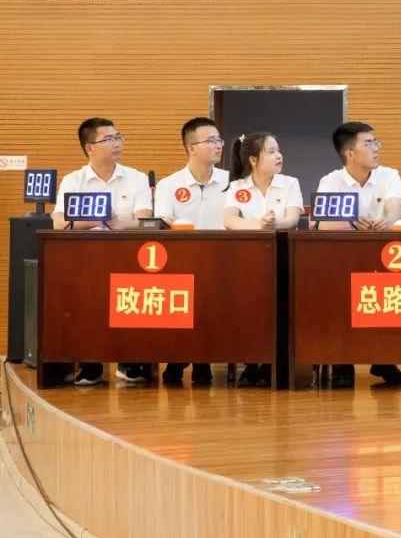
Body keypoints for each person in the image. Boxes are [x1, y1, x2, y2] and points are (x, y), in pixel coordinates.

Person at [52, 117, 153, 385]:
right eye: (109, 139)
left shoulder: (137, 178)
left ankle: (129, 361)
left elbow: (145, 221)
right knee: (85, 306)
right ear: (90, 148)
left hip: (128, 257)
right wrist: (97, 220)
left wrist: (119, 224)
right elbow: (59, 223)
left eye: (118, 137)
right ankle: (91, 363)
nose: (117, 143)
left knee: (130, 304)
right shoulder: (74, 180)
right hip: (84, 259)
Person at [315, 122, 401, 388]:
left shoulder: (389, 175)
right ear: (350, 154)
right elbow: (321, 224)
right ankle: (342, 363)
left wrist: (388, 221)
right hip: (342, 258)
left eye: (376, 142)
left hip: (382, 256)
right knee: (338, 296)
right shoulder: (331, 181)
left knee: (388, 295)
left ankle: (383, 358)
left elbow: (394, 208)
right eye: (368, 143)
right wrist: (350, 221)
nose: (376, 148)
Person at [154, 116, 230, 386]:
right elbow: (163, 222)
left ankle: (202, 359)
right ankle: (181, 357)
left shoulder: (233, 182)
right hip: (182, 263)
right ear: (192, 148)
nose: (218, 145)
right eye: (211, 141)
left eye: (219, 140)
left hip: (224, 261)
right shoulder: (169, 184)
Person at [223, 132, 303, 387]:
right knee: (251, 311)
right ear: (254, 160)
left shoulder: (290, 183)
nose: (279, 155)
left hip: (283, 257)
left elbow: (293, 218)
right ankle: (252, 362)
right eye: (271, 151)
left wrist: (276, 224)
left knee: (280, 311)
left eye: (278, 150)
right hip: (248, 261)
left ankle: (274, 363)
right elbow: (229, 220)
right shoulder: (237, 187)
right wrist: (259, 225)